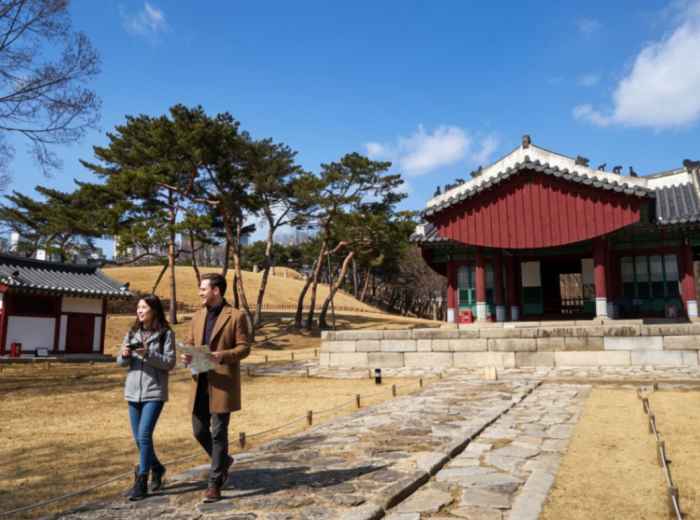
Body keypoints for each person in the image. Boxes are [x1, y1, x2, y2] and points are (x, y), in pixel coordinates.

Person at [181, 273, 250, 502]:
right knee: (199, 430)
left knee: (219, 433)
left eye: (203, 289)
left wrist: (223, 356)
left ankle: (214, 483)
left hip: (222, 383)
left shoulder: (236, 316)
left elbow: (244, 348)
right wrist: (187, 355)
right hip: (199, 380)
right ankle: (224, 461)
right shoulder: (197, 315)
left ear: (216, 291)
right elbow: (190, 343)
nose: (200, 293)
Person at [116, 294, 176, 501]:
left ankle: (141, 480)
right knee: (139, 439)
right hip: (133, 391)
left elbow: (169, 363)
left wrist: (147, 354)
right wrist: (124, 355)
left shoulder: (165, 334)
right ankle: (157, 468)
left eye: (144, 308)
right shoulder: (132, 332)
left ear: (155, 311)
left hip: (154, 392)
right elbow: (120, 362)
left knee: (144, 436)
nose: (140, 311)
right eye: (138, 308)